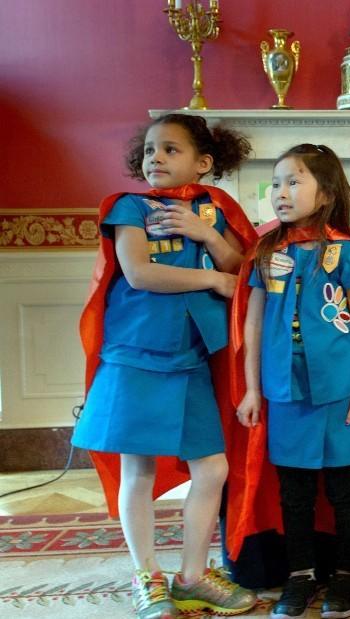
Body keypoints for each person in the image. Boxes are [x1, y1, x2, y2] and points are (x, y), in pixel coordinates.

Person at [73, 113, 259, 618]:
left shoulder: (217, 209)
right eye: (151, 149)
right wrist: (214, 284)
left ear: (203, 162)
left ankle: (193, 576)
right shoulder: (129, 206)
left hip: (193, 358)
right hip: (136, 354)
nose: (156, 157)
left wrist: (208, 234)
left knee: (213, 468)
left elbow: (242, 268)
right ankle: (148, 577)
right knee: (138, 469)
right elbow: (138, 272)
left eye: (171, 149)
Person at [235, 144, 350, 619]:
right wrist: (252, 389)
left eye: (293, 181)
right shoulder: (265, 251)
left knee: (343, 488)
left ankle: (349, 573)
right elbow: (251, 325)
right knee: (293, 491)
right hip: (284, 392)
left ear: (325, 193)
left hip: (338, 391)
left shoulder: (348, 251)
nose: (281, 192)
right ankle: (300, 575)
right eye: (275, 183)